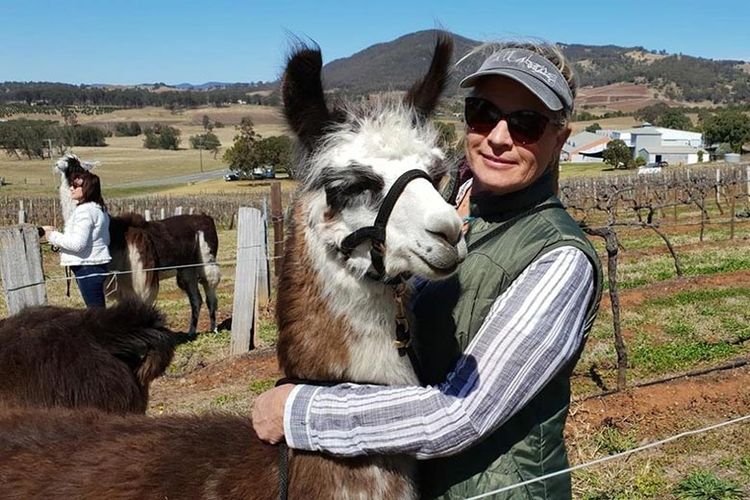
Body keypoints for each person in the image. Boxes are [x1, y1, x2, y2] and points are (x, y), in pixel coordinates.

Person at [252, 41, 604, 499]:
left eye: (526, 124)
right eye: (482, 113)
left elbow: (461, 414)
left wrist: (302, 412)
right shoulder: (454, 210)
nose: (498, 136)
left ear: (560, 137)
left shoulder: (560, 259)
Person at [42, 171, 111, 308]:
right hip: (93, 265)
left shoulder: (85, 211)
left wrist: (51, 236)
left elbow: (77, 244)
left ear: (87, 188)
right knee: (97, 312)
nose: (71, 188)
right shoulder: (99, 209)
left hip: (87, 267)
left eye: (76, 186)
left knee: (96, 315)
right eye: (71, 185)